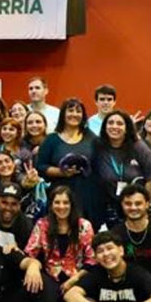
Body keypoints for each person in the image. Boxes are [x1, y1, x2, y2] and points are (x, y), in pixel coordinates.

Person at [36, 97, 102, 227]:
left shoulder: (92, 138)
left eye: (78, 111)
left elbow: (99, 165)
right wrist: (61, 172)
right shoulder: (51, 139)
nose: (74, 114)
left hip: (87, 195)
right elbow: (41, 166)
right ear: (63, 114)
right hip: (60, 195)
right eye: (70, 110)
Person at [24, 185, 96, 294]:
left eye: (66, 203)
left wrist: (74, 279)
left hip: (78, 278)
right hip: (50, 279)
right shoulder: (42, 225)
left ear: (71, 205)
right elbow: (30, 253)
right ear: (51, 205)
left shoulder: (84, 226)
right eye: (57, 202)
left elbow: (92, 260)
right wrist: (33, 265)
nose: (61, 206)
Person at [94, 111, 151, 226]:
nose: (114, 126)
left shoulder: (138, 147)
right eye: (110, 123)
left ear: (127, 128)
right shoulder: (99, 147)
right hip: (111, 206)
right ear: (104, 127)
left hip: (137, 207)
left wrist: (145, 206)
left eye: (120, 123)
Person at [0, 183, 35, 250]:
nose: (8, 208)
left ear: (19, 205)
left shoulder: (27, 226)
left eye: (14, 204)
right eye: (4, 203)